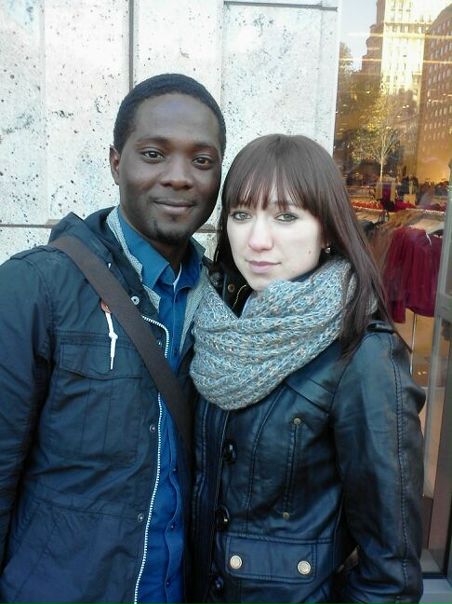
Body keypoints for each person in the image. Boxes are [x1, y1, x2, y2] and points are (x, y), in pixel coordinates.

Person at [0, 73, 225, 604]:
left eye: (201, 160)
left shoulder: (223, 299)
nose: (179, 177)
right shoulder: (34, 287)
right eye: (154, 154)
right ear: (115, 162)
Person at [190, 134, 425, 604]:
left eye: (286, 217)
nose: (257, 240)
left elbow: (390, 575)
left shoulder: (364, 356)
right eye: (241, 215)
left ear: (328, 230)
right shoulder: (214, 326)